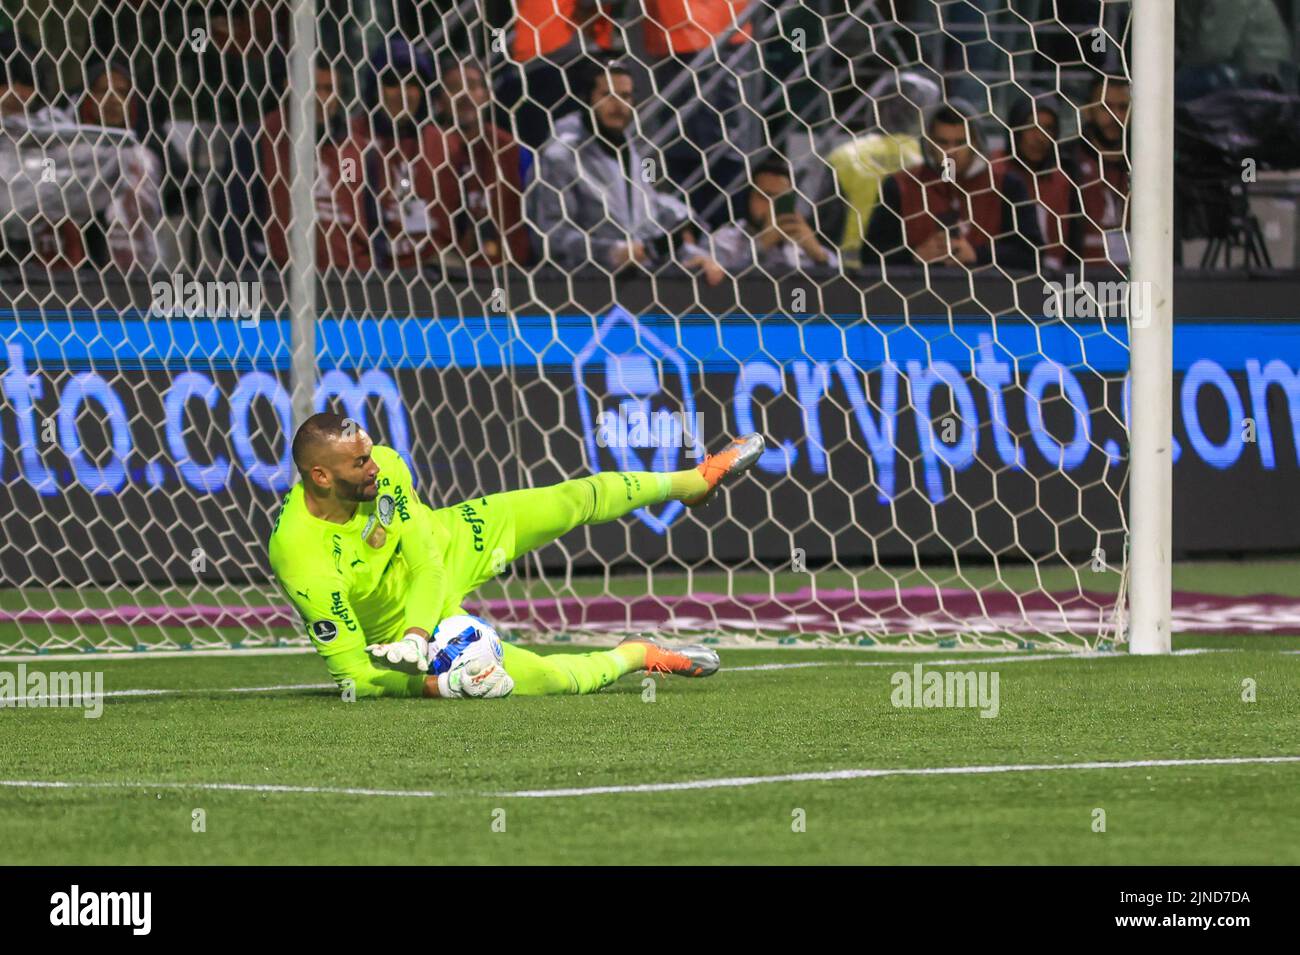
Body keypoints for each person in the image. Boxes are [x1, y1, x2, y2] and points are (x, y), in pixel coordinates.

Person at [267, 414, 765, 699]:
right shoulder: (299, 553)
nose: (376, 466)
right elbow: (353, 675)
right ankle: (636, 655)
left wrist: (421, 634)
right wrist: (442, 684)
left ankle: (692, 482)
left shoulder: (387, 469)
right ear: (321, 477)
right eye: (360, 463)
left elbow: (426, 563)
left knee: (568, 500)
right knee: (546, 681)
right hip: (399, 636)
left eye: (371, 453)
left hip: (451, 543)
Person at [526, 57, 724, 284]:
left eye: (625, 96)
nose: (619, 105)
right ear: (586, 98)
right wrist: (611, 252)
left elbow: (649, 223)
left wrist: (694, 254)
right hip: (583, 289)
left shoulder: (639, 156)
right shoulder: (559, 158)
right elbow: (550, 237)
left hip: (637, 290)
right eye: (608, 95)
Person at [865, 101, 1042, 271]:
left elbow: (1032, 253)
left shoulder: (1007, 186)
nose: (951, 152)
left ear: (976, 143)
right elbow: (870, 255)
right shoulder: (900, 185)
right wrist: (915, 255)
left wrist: (978, 255)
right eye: (942, 142)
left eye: (960, 143)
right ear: (928, 144)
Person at [432, 58, 530, 268]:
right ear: (439, 101)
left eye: (473, 85)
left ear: (486, 95)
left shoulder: (512, 150)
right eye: (453, 87)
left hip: (509, 273)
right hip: (446, 276)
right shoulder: (429, 152)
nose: (464, 95)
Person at [712, 152, 838, 274]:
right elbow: (721, 281)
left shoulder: (802, 243)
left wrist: (819, 256)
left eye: (782, 198)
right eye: (765, 197)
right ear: (747, 198)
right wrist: (761, 246)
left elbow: (842, 285)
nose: (772, 205)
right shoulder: (724, 240)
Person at [993, 93, 1073, 273]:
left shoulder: (1061, 180)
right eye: (1031, 126)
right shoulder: (994, 171)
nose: (1040, 137)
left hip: (1050, 280)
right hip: (999, 277)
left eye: (1048, 128)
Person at [1063, 73, 1130, 267]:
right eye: (1105, 107)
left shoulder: (1149, 164)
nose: (1116, 116)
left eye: (1123, 108)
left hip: (1138, 283)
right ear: (1087, 110)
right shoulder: (1064, 160)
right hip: (1076, 282)